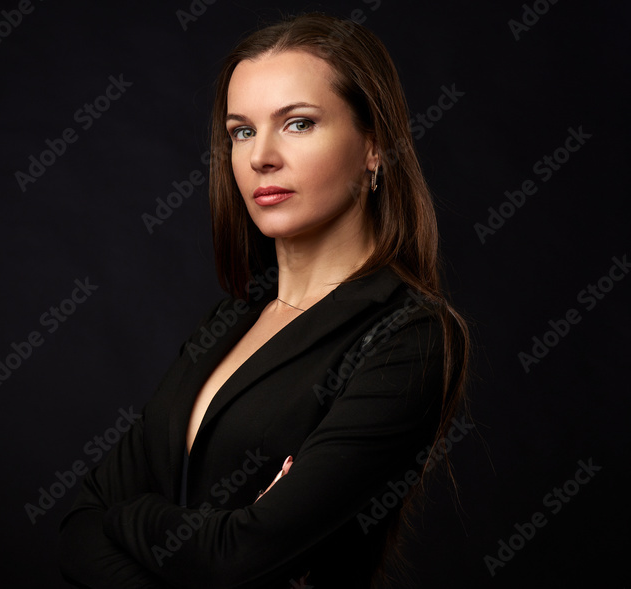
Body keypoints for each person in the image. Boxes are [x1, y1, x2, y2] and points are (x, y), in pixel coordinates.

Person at [59, 12, 469, 588]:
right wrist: (209, 533)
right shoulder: (231, 318)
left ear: (375, 146)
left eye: (298, 124)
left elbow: (236, 558)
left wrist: (128, 518)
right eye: (242, 131)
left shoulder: (409, 334)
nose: (260, 158)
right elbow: (79, 527)